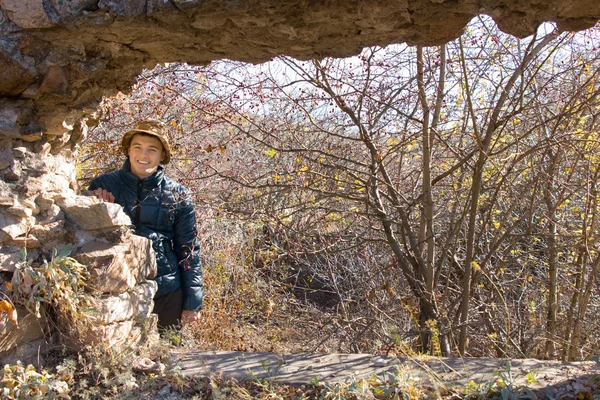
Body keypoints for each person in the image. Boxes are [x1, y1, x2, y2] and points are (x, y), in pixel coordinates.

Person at [89, 119, 203, 329]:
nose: (144, 155)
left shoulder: (178, 194)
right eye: (138, 147)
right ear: (128, 151)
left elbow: (189, 250)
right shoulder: (103, 185)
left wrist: (192, 303)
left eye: (152, 149)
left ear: (162, 156)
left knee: (164, 355)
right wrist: (99, 207)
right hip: (116, 290)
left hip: (166, 292)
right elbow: (87, 238)